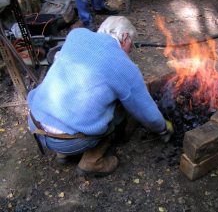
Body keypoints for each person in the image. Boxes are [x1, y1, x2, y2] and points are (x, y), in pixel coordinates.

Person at [27, 16, 173, 177]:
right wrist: (162, 128)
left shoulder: (77, 35)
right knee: (118, 106)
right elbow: (145, 110)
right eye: (132, 44)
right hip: (70, 142)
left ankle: (62, 154)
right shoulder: (123, 66)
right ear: (125, 37)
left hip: (35, 123)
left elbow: (57, 59)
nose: (131, 50)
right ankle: (91, 161)